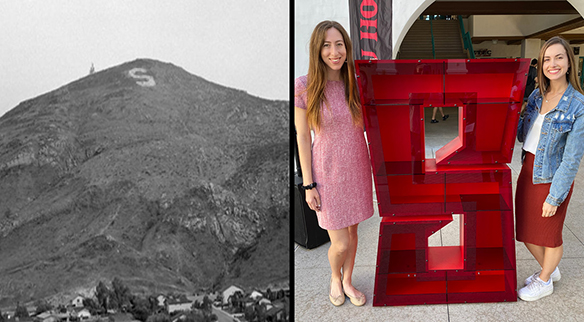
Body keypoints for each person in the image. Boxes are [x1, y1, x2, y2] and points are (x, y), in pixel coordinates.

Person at [294, 20, 373, 307]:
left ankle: (348, 280)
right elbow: (303, 137)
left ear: (346, 47)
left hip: (357, 167)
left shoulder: (356, 83)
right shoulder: (304, 86)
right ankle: (334, 277)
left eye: (339, 44)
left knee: (353, 232)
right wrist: (308, 184)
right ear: (318, 50)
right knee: (338, 241)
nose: (334, 51)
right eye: (327, 45)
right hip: (326, 172)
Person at [516, 36, 584, 301]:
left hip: (553, 175)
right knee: (524, 230)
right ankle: (550, 269)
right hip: (528, 170)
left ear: (569, 63)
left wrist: (555, 196)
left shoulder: (578, 105)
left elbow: (572, 158)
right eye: (547, 59)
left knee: (549, 235)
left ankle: (544, 280)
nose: (552, 64)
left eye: (559, 57)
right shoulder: (537, 95)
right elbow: (524, 136)